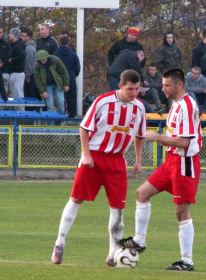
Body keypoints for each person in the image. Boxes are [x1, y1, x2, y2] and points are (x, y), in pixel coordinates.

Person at [51, 69, 146, 267]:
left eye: (137, 89)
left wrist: (138, 160)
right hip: (94, 157)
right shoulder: (103, 101)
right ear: (120, 86)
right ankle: (60, 241)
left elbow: (140, 135)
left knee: (118, 208)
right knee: (76, 199)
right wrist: (86, 154)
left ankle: (112, 252)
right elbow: (84, 128)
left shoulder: (139, 108)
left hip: (117, 161)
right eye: (130, 89)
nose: (134, 93)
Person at [117, 67, 201, 271]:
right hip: (172, 161)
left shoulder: (187, 106)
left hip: (184, 162)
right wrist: (164, 141)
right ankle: (139, 240)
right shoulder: (175, 104)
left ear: (179, 85)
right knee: (142, 193)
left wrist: (156, 137)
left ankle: (187, 261)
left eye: (166, 85)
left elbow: (183, 142)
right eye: (162, 84)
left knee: (182, 212)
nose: (162, 88)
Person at [34, 50, 69, 118]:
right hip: (47, 86)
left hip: (58, 84)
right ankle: (50, 123)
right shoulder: (37, 66)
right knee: (50, 105)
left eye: (44, 60)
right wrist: (43, 91)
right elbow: (37, 80)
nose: (43, 62)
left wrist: (66, 84)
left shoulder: (55, 60)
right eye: (41, 60)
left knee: (61, 102)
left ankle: (60, 119)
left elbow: (64, 71)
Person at [53, 36, 81, 118]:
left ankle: (60, 114)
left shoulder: (55, 55)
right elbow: (77, 68)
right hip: (71, 77)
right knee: (72, 97)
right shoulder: (73, 54)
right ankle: (72, 114)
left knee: (60, 98)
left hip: (59, 79)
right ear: (68, 43)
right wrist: (73, 75)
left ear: (60, 43)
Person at [7, 28, 26, 110]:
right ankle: (16, 110)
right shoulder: (14, 44)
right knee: (14, 93)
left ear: (15, 36)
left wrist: (12, 60)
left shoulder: (18, 46)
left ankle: (21, 111)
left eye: (11, 34)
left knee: (18, 92)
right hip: (13, 71)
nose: (9, 35)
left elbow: (23, 56)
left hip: (18, 72)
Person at [20, 28, 40, 103]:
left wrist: (28, 76)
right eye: (21, 35)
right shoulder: (26, 47)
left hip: (29, 74)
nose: (22, 37)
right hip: (29, 73)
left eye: (24, 36)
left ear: (29, 37)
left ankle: (30, 109)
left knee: (28, 93)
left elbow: (29, 63)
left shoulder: (29, 48)